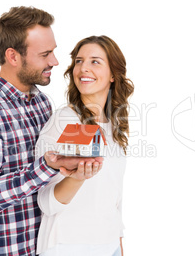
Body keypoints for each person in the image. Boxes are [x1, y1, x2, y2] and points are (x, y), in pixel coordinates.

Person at [0, 6, 102, 256]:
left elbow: (53, 176)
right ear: (13, 56)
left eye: (53, 52)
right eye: (45, 54)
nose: (55, 62)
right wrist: (49, 166)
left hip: (49, 247)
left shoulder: (41, 102)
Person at [35, 35, 134, 256]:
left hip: (109, 247)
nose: (83, 69)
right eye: (79, 61)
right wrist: (76, 178)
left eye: (95, 61)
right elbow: (46, 203)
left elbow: (114, 200)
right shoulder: (65, 121)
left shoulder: (114, 125)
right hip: (68, 246)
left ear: (113, 75)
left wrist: (119, 248)